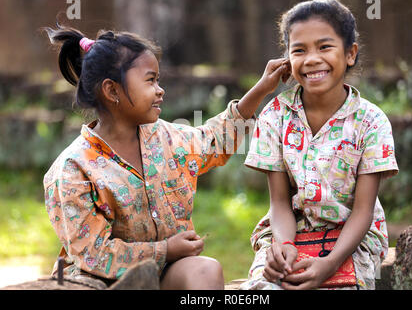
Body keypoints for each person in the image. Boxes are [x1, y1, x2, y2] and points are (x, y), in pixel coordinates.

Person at [43, 25, 290, 289]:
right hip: (101, 281)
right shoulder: (73, 168)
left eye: (158, 81)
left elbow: (215, 140)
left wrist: (262, 88)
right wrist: (165, 250)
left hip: (165, 274)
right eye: (150, 80)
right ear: (112, 91)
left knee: (205, 270)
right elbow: (93, 253)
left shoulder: (167, 139)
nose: (160, 90)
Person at [240, 0, 398, 290]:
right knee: (262, 289)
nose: (311, 59)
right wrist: (285, 246)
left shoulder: (372, 122)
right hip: (290, 230)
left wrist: (330, 263)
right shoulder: (274, 116)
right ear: (288, 58)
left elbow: (363, 211)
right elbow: (279, 201)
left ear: (350, 54)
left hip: (353, 240)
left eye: (324, 47)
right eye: (299, 50)